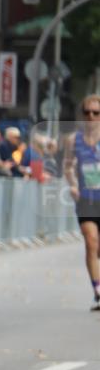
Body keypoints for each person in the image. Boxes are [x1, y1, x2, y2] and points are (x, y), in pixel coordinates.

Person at [64, 95, 100, 310]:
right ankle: (98, 291)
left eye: (96, 113)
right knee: (90, 241)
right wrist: (73, 183)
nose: (91, 116)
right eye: (87, 112)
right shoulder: (73, 140)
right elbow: (68, 166)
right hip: (86, 198)